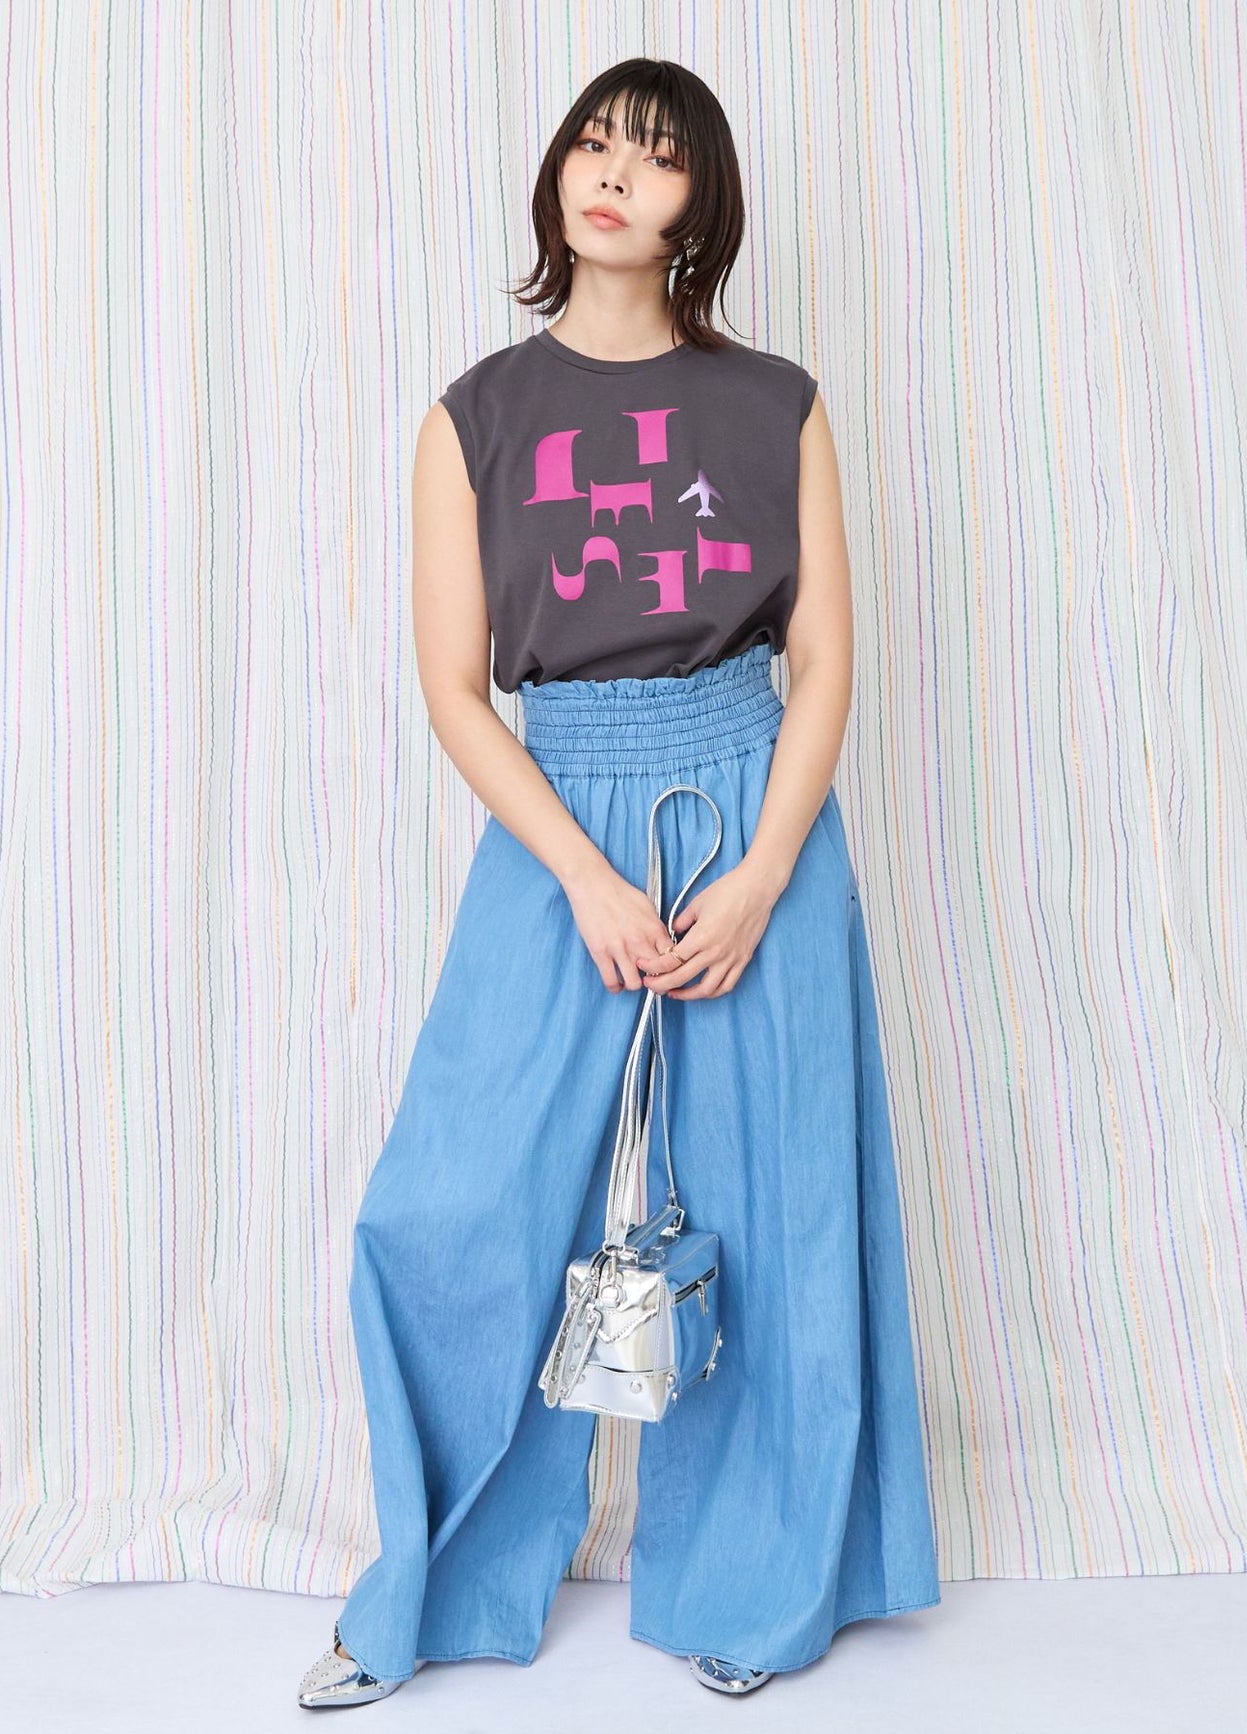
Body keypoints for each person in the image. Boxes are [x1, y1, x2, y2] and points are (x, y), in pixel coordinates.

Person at [298, 56, 941, 1710]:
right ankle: (433, 1585)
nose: (611, 174)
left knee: (775, 1200)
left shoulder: (777, 403)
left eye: (653, 159)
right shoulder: (472, 417)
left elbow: (822, 656)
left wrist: (768, 867)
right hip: (556, 819)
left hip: (753, 793)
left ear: (694, 207)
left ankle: (758, 1580)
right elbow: (455, 689)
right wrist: (582, 876)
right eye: (592, 143)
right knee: (455, 1201)